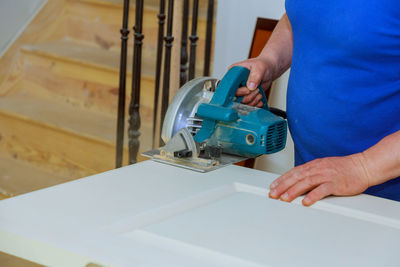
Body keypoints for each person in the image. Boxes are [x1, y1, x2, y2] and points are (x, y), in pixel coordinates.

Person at [231, 1, 400, 206]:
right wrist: (270, 61)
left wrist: (363, 168)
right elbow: (302, 15)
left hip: (387, 195)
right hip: (314, 178)